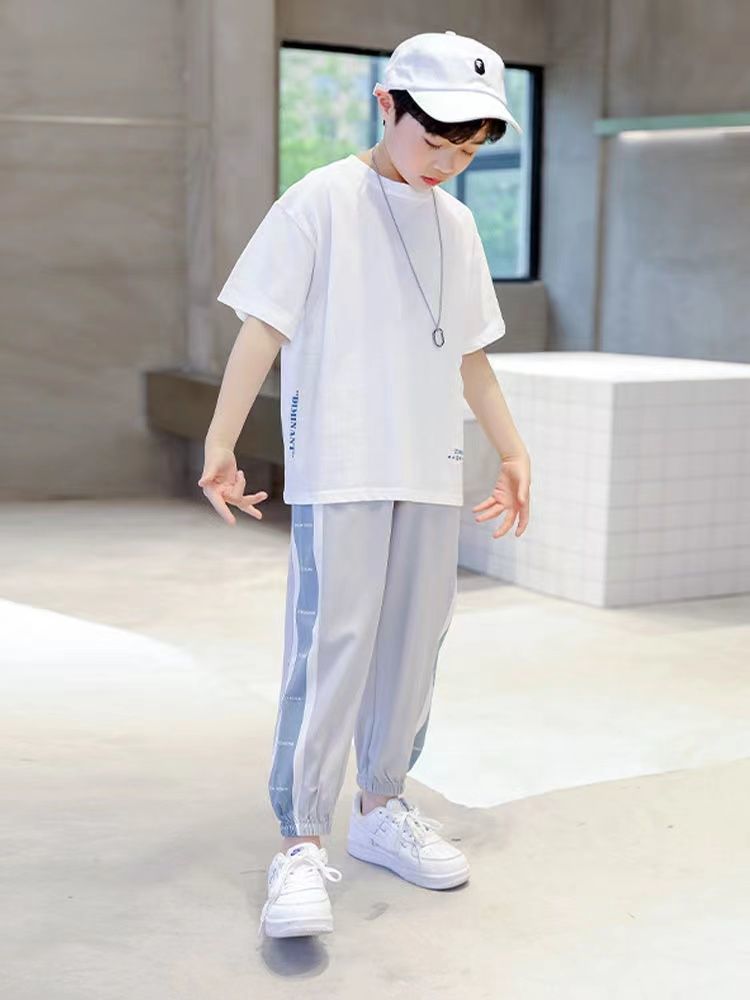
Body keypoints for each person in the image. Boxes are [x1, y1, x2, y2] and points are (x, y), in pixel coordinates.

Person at [198, 29, 531, 940]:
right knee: (333, 646)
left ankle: (382, 806)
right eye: (435, 140)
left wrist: (513, 451)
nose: (446, 164)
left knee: (416, 644)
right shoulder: (320, 201)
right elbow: (263, 327)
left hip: (430, 467)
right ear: (388, 105)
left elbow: (470, 354)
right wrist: (222, 440)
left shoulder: (457, 224)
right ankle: (302, 841)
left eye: (468, 151)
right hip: (341, 461)